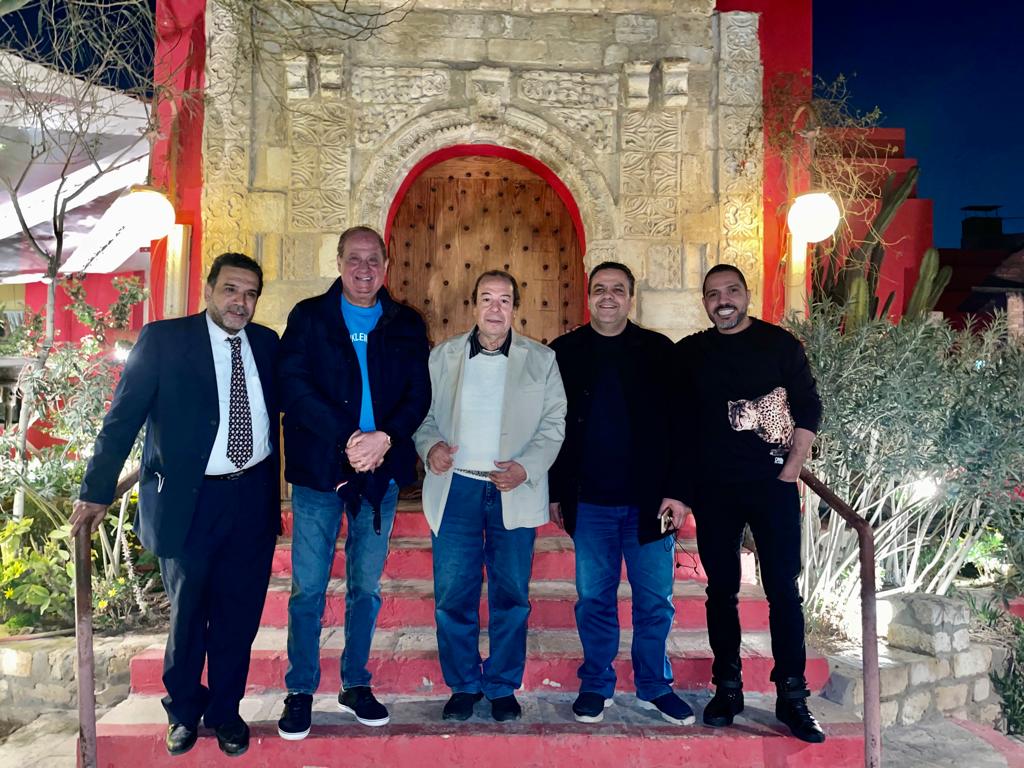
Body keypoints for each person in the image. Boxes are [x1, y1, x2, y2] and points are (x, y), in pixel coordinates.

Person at [71, 253, 280, 758]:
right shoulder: (164, 340)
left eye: (250, 294)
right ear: (208, 290)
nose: (240, 302)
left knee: (238, 615)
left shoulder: (266, 343)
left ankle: (226, 711)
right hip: (189, 500)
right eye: (231, 289)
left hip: (250, 498)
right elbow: (123, 419)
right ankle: (183, 711)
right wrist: (97, 489)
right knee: (188, 615)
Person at [275, 226, 430, 740]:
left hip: (380, 471)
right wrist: (348, 438)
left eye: (373, 260)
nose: (364, 269)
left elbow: (418, 393)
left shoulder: (405, 322)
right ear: (339, 262)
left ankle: (355, 683)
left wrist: (385, 438)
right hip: (320, 470)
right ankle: (300, 689)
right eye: (354, 259)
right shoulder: (308, 317)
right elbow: (294, 387)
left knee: (366, 585)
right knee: (308, 587)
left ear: (386, 265)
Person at [674, 264, 825, 743]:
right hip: (714, 490)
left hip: (772, 485)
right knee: (720, 591)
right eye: (713, 294)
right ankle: (728, 687)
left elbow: (809, 406)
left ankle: (792, 696)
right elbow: (670, 412)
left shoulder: (780, 345)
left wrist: (792, 468)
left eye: (732, 291)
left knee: (783, 590)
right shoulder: (692, 352)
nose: (723, 300)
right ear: (704, 302)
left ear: (746, 294)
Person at [413, 270, 566, 722]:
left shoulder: (542, 360)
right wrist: (430, 447)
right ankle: (463, 684)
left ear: (515, 307)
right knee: (453, 594)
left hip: (512, 488)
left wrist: (526, 468)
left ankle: (501, 686)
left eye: (504, 300)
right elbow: (421, 416)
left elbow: (554, 423)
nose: (495, 308)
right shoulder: (442, 357)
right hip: (457, 486)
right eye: (486, 298)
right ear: (474, 305)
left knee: (511, 594)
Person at [547, 261, 696, 726]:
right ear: (588, 296)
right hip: (589, 502)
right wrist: (556, 493)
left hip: (650, 503)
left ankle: (654, 685)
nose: (607, 297)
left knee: (654, 600)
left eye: (617, 289)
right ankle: (596, 683)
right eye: (599, 289)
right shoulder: (564, 352)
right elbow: (552, 428)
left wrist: (678, 492)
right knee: (594, 598)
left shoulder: (659, 351)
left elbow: (683, 428)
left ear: (631, 297)